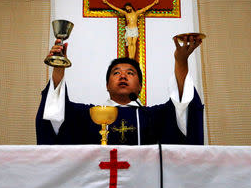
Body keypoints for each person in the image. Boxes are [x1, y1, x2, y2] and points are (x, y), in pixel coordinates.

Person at [36, 34, 204, 145]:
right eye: (116, 73)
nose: (123, 76)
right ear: (107, 85)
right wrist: (59, 66)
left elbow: (183, 107)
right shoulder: (87, 116)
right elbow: (55, 112)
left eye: (130, 73)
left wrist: (181, 62)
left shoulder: (154, 117)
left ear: (140, 86)